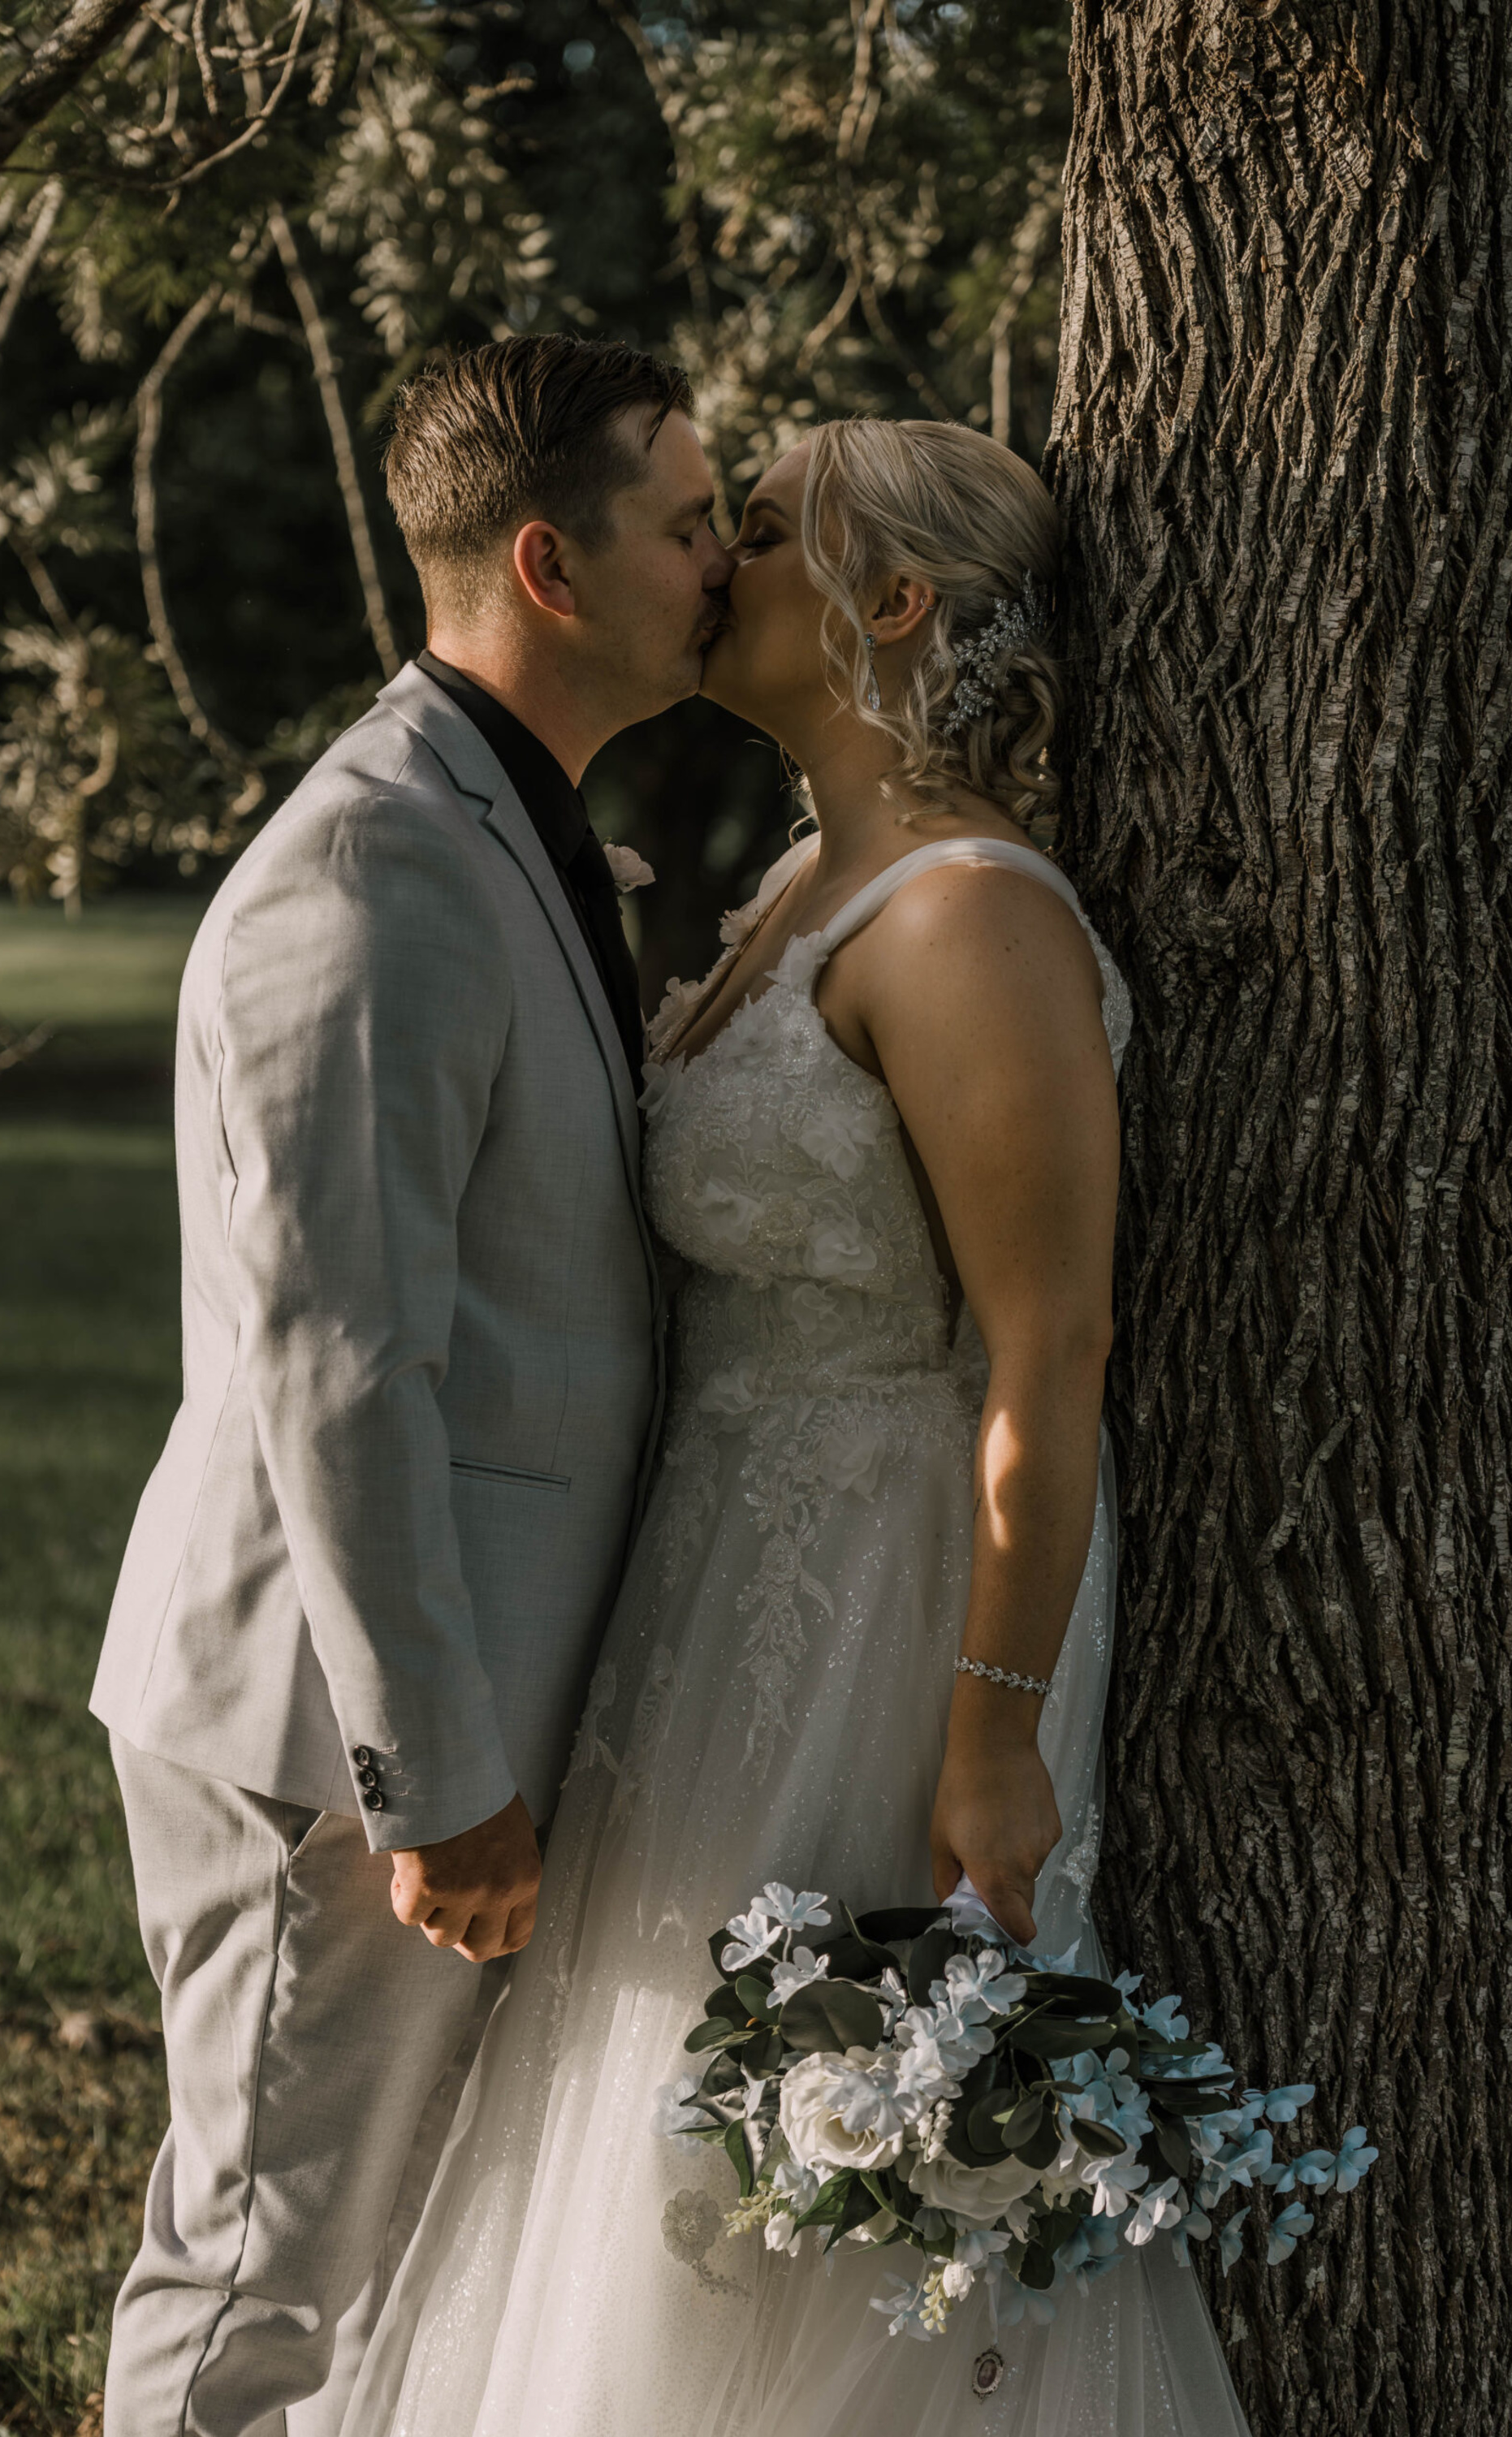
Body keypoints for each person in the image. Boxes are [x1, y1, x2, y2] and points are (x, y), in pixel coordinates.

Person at [339, 417, 1254, 2435]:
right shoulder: (802, 886)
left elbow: (1051, 1349)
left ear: (891, 605)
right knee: (676, 2114)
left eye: (752, 530)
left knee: (823, 2158)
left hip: (892, 1595)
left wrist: (994, 1733)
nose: (708, 557)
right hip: (713, 1575)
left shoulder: (970, 918)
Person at [89, 334, 733, 2437]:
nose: (727, 561)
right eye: (690, 524)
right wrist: (433, 1771)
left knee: (371, 2303)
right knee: (261, 2297)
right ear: (552, 563)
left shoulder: (504, 824)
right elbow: (336, 1358)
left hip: (457, 1693)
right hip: (335, 1732)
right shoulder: (371, 868)